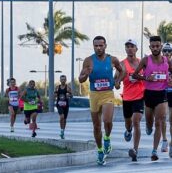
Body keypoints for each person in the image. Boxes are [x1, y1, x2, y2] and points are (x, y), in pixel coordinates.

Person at [79, 36, 123, 165]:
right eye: (96, 46)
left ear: (105, 46)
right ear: (93, 46)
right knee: (97, 126)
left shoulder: (112, 60)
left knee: (107, 121)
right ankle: (99, 151)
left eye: (101, 45)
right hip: (94, 95)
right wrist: (86, 74)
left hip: (107, 94)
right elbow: (81, 79)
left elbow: (123, 71)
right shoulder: (88, 61)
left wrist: (117, 81)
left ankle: (107, 139)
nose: (98, 48)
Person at [133, 36, 172, 161]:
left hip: (162, 95)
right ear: (150, 47)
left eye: (157, 46)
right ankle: (148, 128)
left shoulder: (167, 61)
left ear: (160, 46)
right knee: (150, 124)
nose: (155, 48)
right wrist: (146, 78)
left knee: (159, 122)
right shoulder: (145, 60)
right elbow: (134, 75)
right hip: (149, 94)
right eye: (153, 46)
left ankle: (154, 151)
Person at [118, 39, 145, 161]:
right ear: (125, 49)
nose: (129, 48)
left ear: (136, 49)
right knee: (129, 123)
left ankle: (135, 150)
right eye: (127, 46)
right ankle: (128, 131)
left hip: (140, 96)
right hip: (127, 97)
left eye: (132, 46)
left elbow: (148, 76)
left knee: (136, 121)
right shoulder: (122, 64)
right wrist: (117, 82)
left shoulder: (142, 63)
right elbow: (116, 79)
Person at [160, 43, 172, 154]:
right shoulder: (159, 63)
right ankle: (164, 140)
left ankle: (171, 143)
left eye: (169, 51)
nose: (167, 53)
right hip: (162, 92)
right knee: (163, 117)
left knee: (171, 119)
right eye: (165, 51)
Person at [54, 75, 72, 139]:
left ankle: (62, 131)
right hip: (59, 104)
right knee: (62, 117)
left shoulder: (68, 88)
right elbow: (54, 96)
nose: (63, 81)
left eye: (64, 79)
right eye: (62, 79)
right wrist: (55, 95)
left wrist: (69, 95)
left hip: (66, 105)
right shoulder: (57, 87)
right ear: (60, 80)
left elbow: (71, 96)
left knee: (64, 119)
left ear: (66, 80)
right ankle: (61, 130)